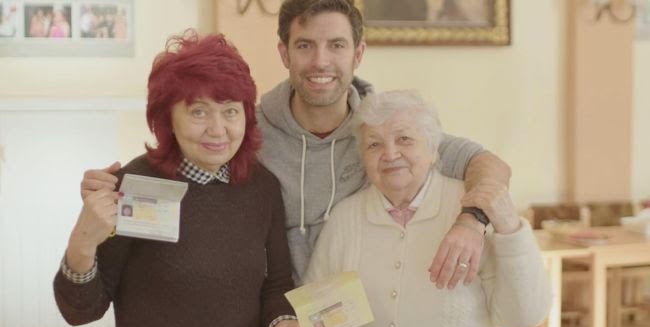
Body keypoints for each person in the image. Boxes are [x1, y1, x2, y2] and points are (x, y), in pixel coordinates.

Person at [81, 0, 510, 294]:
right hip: (267, 324)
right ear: (284, 53)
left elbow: (487, 163)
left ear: (358, 53)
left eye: (336, 46)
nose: (321, 62)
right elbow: (183, 173)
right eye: (306, 46)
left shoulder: (384, 135)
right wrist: (114, 190)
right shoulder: (242, 132)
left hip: (362, 325)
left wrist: (473, 220)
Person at [54, 30, 302, 327]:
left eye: (230, 111)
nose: (217, 129)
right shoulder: (134, 184)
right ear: (168, 118)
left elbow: (276, 284)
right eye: (199, 112)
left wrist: (283, 325)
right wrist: (82, 241)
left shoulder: (263, 187)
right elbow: (80, 312)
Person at [303, 90, 551, 327]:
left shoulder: (472, 209)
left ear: (434, 150)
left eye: (404, 139)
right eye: (374, 145)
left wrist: (510, 230)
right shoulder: (345, 220)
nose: (390, 154)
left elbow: (525, 316)